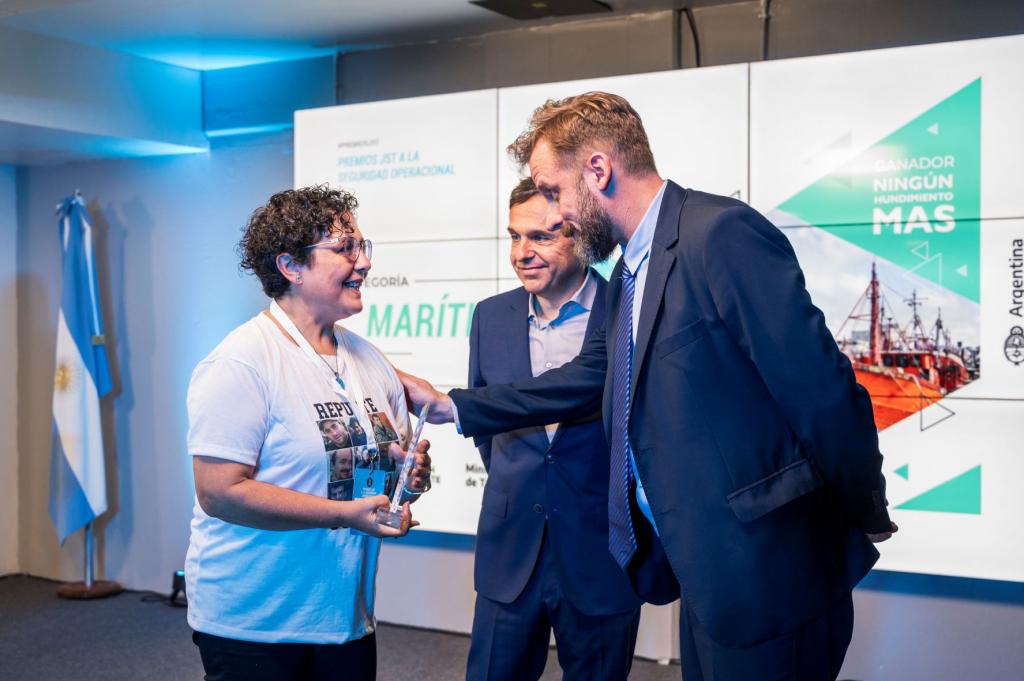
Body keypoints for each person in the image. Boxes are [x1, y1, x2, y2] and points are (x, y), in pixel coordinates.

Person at [398, 92, 898, 681]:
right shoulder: (629, 273)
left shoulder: (720, 233)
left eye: (554, 191)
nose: (556, 215)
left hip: (772, 571)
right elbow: (583, 380)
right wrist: (450, 404)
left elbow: (822, 389)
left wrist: (864, 508)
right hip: (707, 574)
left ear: (598, 170)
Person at [185, 185, 431, 681]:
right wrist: (343, 515)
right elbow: (218, 493)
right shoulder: (241, 362)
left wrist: (408, 480)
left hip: (345, 618)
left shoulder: (370, 360)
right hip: (256, 623)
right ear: (291, 266)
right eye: (345, 249)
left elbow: (383, 482)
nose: (363, 263)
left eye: (362, 247)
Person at [465, 178, 641, 681]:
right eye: (514, 236)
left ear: (580, 235)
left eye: (541, 237)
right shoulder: (490, 316)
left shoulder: (627, 309)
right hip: (510, 549)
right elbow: (488, 428)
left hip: (600, 553)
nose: (522, 253)